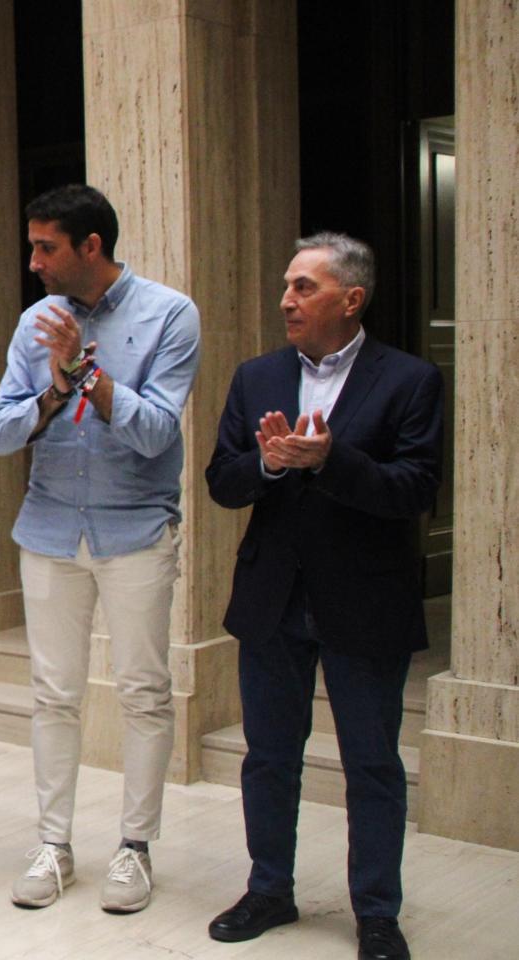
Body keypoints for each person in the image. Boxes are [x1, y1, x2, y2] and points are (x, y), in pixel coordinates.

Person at [204, 233, 441, 960]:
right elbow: (222, 479)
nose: (286, 300)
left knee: (372, 765)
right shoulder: (256, 376)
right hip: (274, 597)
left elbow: (416, 490)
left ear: (351, 297)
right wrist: (271, 466)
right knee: (269, 758)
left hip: (365, 600)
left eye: (304, 287)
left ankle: (375, 912)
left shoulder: (409, 380)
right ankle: (269, 888)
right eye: (286, 285)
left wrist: (332, 460)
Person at [0, 184, 201, 914]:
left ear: (91, 248)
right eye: (33, 245)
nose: (35, 262)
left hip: (136, 529)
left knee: (143, 691)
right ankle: (55, 845)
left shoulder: (170, 315)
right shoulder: (35, 323)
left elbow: (156, 433)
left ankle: (135, 850)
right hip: (48, 530)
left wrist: (89, 374)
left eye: (46, 247)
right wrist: (50, 394)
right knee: (53, 694)